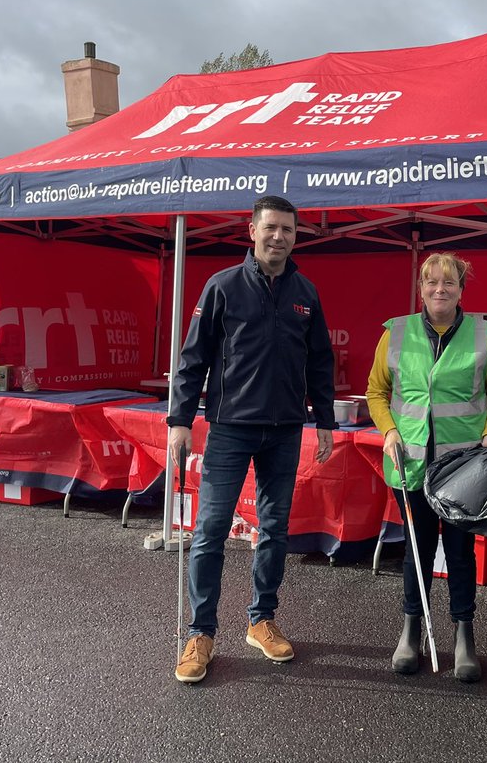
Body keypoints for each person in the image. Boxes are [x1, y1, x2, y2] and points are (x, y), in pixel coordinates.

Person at [168, 195, 336, 684]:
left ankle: (261, 620)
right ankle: (200, 633)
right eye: (271, 228)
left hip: (285, 429)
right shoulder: (222, 287)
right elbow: (192, 357)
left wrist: (324, 417)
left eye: (288, 229)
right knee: (211, 530)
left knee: (275, 529)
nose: (279, 237)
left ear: (295, 236)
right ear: (252, 230)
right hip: (230, 428)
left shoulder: (306, 291)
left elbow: (320, 361)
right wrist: (180, 418)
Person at [366, 252, 487, 682]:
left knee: (463, 554)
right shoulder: (396, 333)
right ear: (422, 289)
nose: (439, 290)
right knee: (417, 550)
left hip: (463, 468)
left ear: (461, 290)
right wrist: (389, 430)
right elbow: (377, 391)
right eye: (431, 283)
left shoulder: (485, 335)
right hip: (408, 464)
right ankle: (412, 629)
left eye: (448, 283)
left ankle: (464, 635)